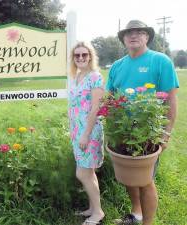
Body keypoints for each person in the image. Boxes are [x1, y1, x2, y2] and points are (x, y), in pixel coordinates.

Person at [107, 20, 179, 225]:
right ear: (123, 39)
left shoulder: (160, 61)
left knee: (145, 181)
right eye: (129, 33)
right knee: (129, 177)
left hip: (148, 133)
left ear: (147, 37)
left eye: (139, 32)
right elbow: (109, 98)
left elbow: (171, 99)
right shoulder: (117, 66)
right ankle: (136, 214)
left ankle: (148, 223)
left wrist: (166, 134)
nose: (133, 35)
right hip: (122, 132)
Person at [68, 41, 105, 225]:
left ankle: (98, 213)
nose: (81, 58)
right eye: (77, 55)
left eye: (84, 54)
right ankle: (92, 207)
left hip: (89, 131)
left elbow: (95, 108)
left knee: (82, 174)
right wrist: (73, 130)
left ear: (90, 56)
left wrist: (85, 134)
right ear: (73, 58)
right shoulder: (77, 76)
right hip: (78, 130)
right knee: (89, 172)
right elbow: (74, 107)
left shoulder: (94, 77)